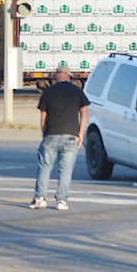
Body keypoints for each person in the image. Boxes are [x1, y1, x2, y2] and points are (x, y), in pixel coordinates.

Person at [29, 65, 89, 211]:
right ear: (68, 76)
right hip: (70, 136)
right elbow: (85, 113)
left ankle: (40, 198)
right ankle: (62, 201)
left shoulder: (48, 92)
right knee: (65, 170)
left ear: (57, 76)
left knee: (45, 167)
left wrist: (44, 133)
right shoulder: (77, 92)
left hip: (51, 134)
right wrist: (80, 134)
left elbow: (43, 117)